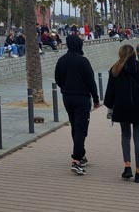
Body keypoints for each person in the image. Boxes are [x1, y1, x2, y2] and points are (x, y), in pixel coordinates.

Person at [104, 44, 139, 182]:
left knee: (125, 136)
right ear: (134, 53)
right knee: (138, 137)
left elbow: (110, 92)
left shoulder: (115, 69)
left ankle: (127, 167)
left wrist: (109, 107)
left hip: (121, 107)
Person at [54, 34, 100, 175]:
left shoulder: (61, 60)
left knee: (75, 126)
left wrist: (66, 88)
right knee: (81, 128)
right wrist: (96, 99)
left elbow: (58, 79)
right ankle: (76, 159)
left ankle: (81, 154)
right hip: (82, 98)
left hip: (67, 97)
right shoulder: (83, 61)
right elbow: (90, 81)